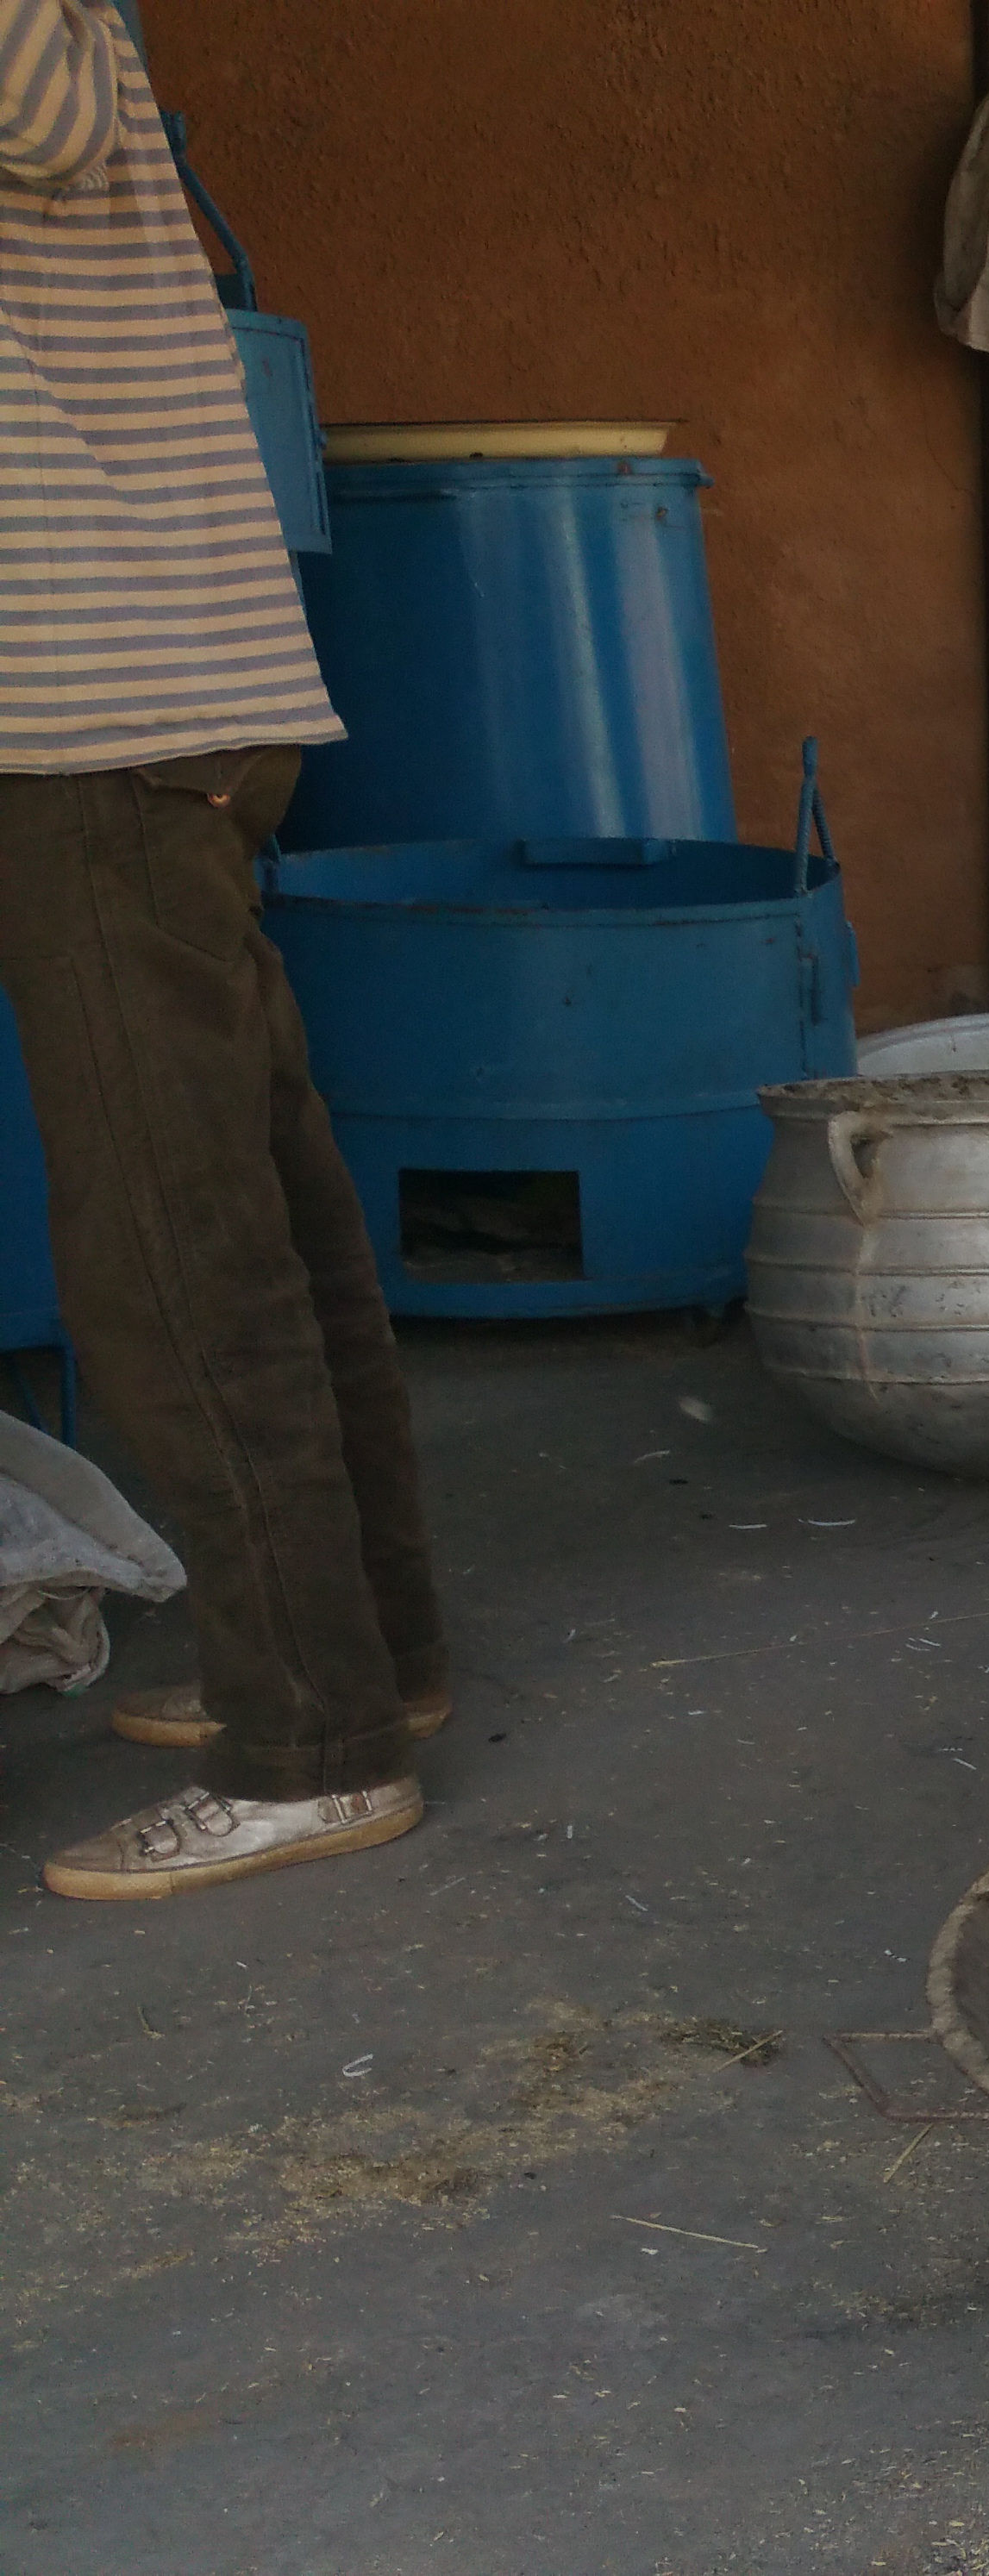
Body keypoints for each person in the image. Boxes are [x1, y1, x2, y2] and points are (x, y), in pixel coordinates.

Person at [0, 0, 450, 1896]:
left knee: (174, 1261)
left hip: (96, 725)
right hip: (157, 704)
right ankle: (376, 1660)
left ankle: (309, 1746)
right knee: (265, 1213)